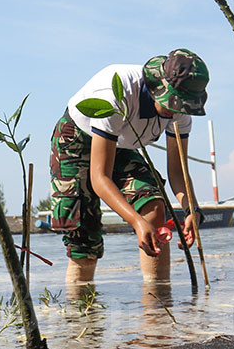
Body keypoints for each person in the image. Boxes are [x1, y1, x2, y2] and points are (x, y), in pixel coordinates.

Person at [50, 48, 209, 284]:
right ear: (159, 86)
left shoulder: (181, 111)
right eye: (172, 103)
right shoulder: (116, 93)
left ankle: (158, 310)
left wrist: (191, 211)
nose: (176, 111)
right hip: (76, 140)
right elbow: (99, 177)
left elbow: (177, 172)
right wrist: (136, 222)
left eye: (182, 106)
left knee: (153, 207)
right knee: (85, 242)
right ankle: (80, 315)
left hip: (123, 143)